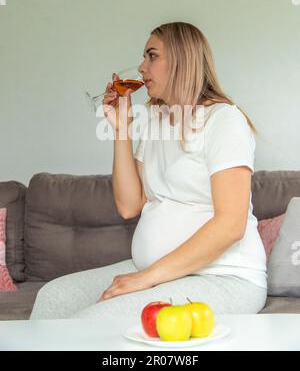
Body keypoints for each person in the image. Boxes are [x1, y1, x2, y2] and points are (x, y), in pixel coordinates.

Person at [30, 22, 267, 320]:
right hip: (155, 271)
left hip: (223, 277)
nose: (142, 67)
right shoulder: (157, 119)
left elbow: (231, 225)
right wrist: (122, 130)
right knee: (53, 298)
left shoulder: (223, 120)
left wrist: (147, 278)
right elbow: (129, 205)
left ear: (182, 60)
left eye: (152, 56)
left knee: (97, 322)